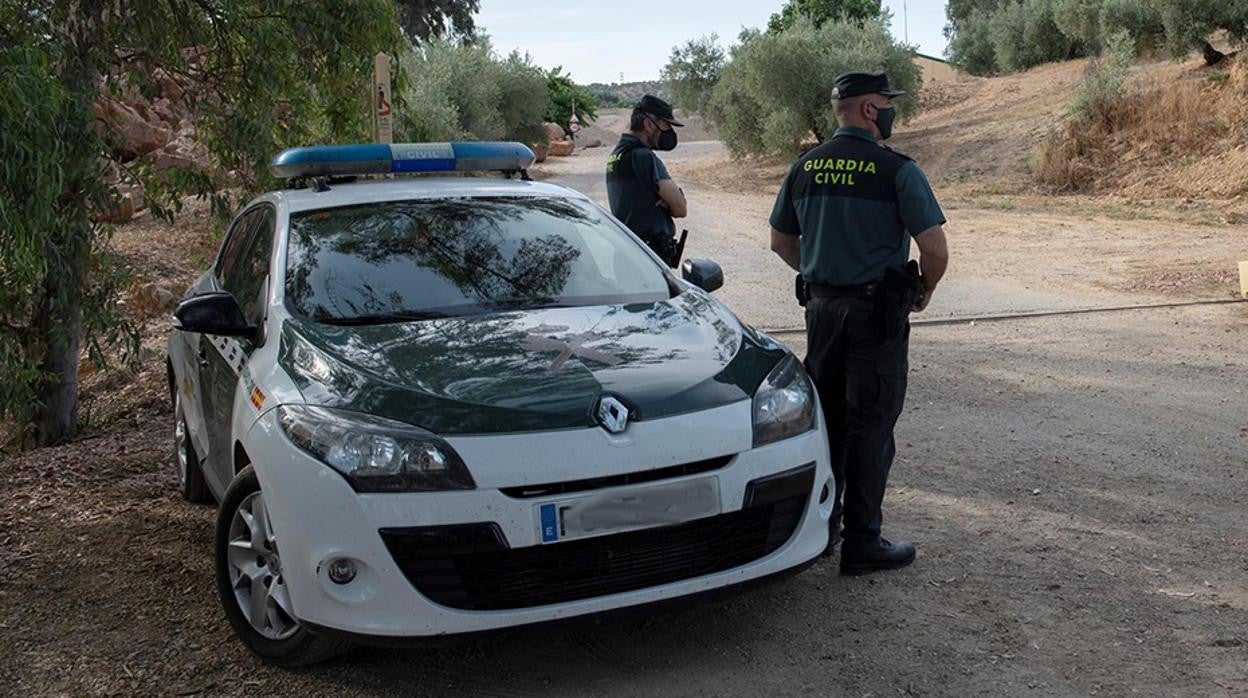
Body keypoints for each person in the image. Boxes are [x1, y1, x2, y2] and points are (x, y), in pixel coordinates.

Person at [768, 71, 950, 576]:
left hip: (821, 312)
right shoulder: (896, 170)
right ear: (870, 110)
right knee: (870, 427)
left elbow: (781, 244)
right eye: (887, 104)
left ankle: (820, 532)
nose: (891, 112)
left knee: (828, 421)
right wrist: (924, 289)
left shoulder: (804, 168)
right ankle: (862, 542)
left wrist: (822, 272)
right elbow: (933, 248)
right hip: (875, 318)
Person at [606, 95, 688, 266]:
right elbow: (680, 208)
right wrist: (671, 201)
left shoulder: (617, 154)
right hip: (648, 258)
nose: (669, 132)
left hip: (627, 253)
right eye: (666, 125)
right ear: (649, 124)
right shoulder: (644, 157)